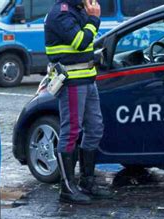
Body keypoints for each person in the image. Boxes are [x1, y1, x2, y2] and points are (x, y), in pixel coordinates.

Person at [45, 0, 111, 204]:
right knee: (71, 131)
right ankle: (67, 187)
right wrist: (94, 19)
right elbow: (81, 41)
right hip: (72, 81)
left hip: (87, 78)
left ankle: (87, 182)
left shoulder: (77, 10)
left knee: (95, 128)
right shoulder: (61, 13)